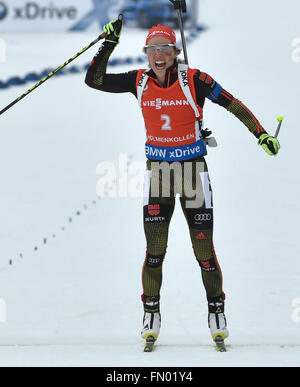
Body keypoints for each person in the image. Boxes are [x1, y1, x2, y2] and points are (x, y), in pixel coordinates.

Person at [85, 18, 280, 349]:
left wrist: (260, 132)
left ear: (175, 52)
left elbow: (231, 103)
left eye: (164, 49)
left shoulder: (195, 80)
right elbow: (95, 80)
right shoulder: (139, 81)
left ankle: (216, 311)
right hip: (159, 174)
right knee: (155, 252)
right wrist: (109, 43)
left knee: (204, 252)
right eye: (152, 50)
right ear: (146, 54)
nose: (158, 56)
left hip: (193, 174)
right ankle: (151, 314)